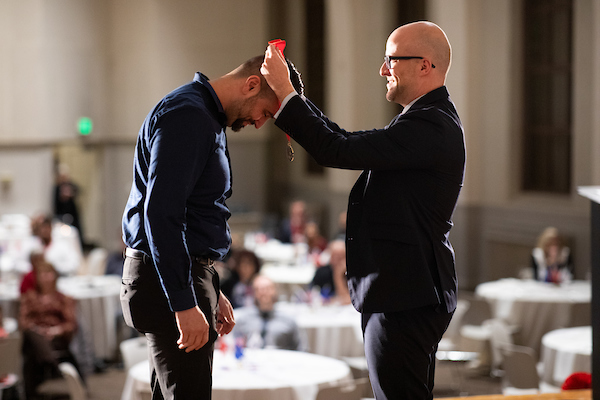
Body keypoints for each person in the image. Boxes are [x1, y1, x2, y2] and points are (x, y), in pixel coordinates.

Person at [261, 21, 466, 399]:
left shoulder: (430, 125)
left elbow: (336, 150)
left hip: (404, 293)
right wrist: (294, 100)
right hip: (407, 290)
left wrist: (286, 94)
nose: (383, 69)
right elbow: (339, 140)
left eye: (391, 59)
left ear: (425, 65)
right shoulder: (426, 119)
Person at [121, 54, 293, 400]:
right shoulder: (189, 115)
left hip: (174, 275)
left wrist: (209, 285)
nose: (261, 123)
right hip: (164, 281)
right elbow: (162, 214)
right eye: (266, 112)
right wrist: (185, 301)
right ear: (251, 84)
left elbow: (193, 213)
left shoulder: (202, 114)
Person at [19, 261, 81, 399]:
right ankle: (50, 361)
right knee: (31, 336)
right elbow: (24, 322)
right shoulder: (29, 297)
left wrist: (56, 330)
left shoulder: (62, 298)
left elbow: (71, 324)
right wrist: (39, 331)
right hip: (35, 335)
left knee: (33, 347)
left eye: (48, 274)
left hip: (56, 338)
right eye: (42, 274)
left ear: (54, 276)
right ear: (38, 278)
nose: (46, 278)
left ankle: (47, 361)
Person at [233, 275, 304, 351]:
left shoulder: (289, 321)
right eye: (259, 289)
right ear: (254, 293)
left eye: (267, 288)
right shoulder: (242, 320)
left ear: (275, 291)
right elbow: (234, 346)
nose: (263, 292)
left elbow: (301, 349)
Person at [310, 240, 351, 305]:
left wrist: (338, 276)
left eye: (341, 257)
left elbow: (348, 299)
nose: (338, 260)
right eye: (335, 256)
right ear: (330, 257)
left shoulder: (351, 275)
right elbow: (311, 294)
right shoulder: (321, 272)